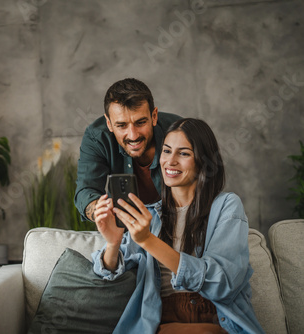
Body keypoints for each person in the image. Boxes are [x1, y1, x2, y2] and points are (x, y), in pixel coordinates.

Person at [92, 118, 264, 333]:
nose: (170, 161)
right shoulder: (151, 215)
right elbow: (107, 271)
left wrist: (148, 240)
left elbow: (222, 283)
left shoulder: (226, 206)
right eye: (166, 151)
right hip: (159, 319)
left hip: (213, 317)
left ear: (203, 161)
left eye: (183, 153)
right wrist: (113, 243)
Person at [75, 78, 181, 222]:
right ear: (109, 124)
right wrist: (102, 213)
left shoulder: (181, 131)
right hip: (125, 230)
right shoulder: (97, 137)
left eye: (141, 122)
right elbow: (86, 190)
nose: (133, 135)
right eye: (121, 125)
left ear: (154, 116)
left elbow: (204, 184)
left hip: (177, 224)